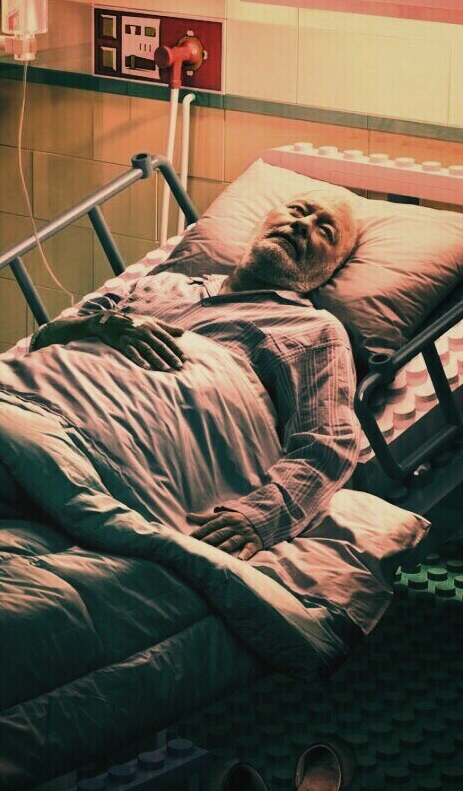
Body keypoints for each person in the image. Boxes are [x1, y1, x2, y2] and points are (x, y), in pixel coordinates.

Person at [28, 190, 361, 562]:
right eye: (298, 211)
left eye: (325, 231)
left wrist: (259, 517)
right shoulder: (158, 284)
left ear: (331, 269)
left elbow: (327, 443)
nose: (303, 224)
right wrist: (100, 324)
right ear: (263, 222)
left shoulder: (313, 330)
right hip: (34, 411)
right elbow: (42, 340)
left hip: (113, 459)